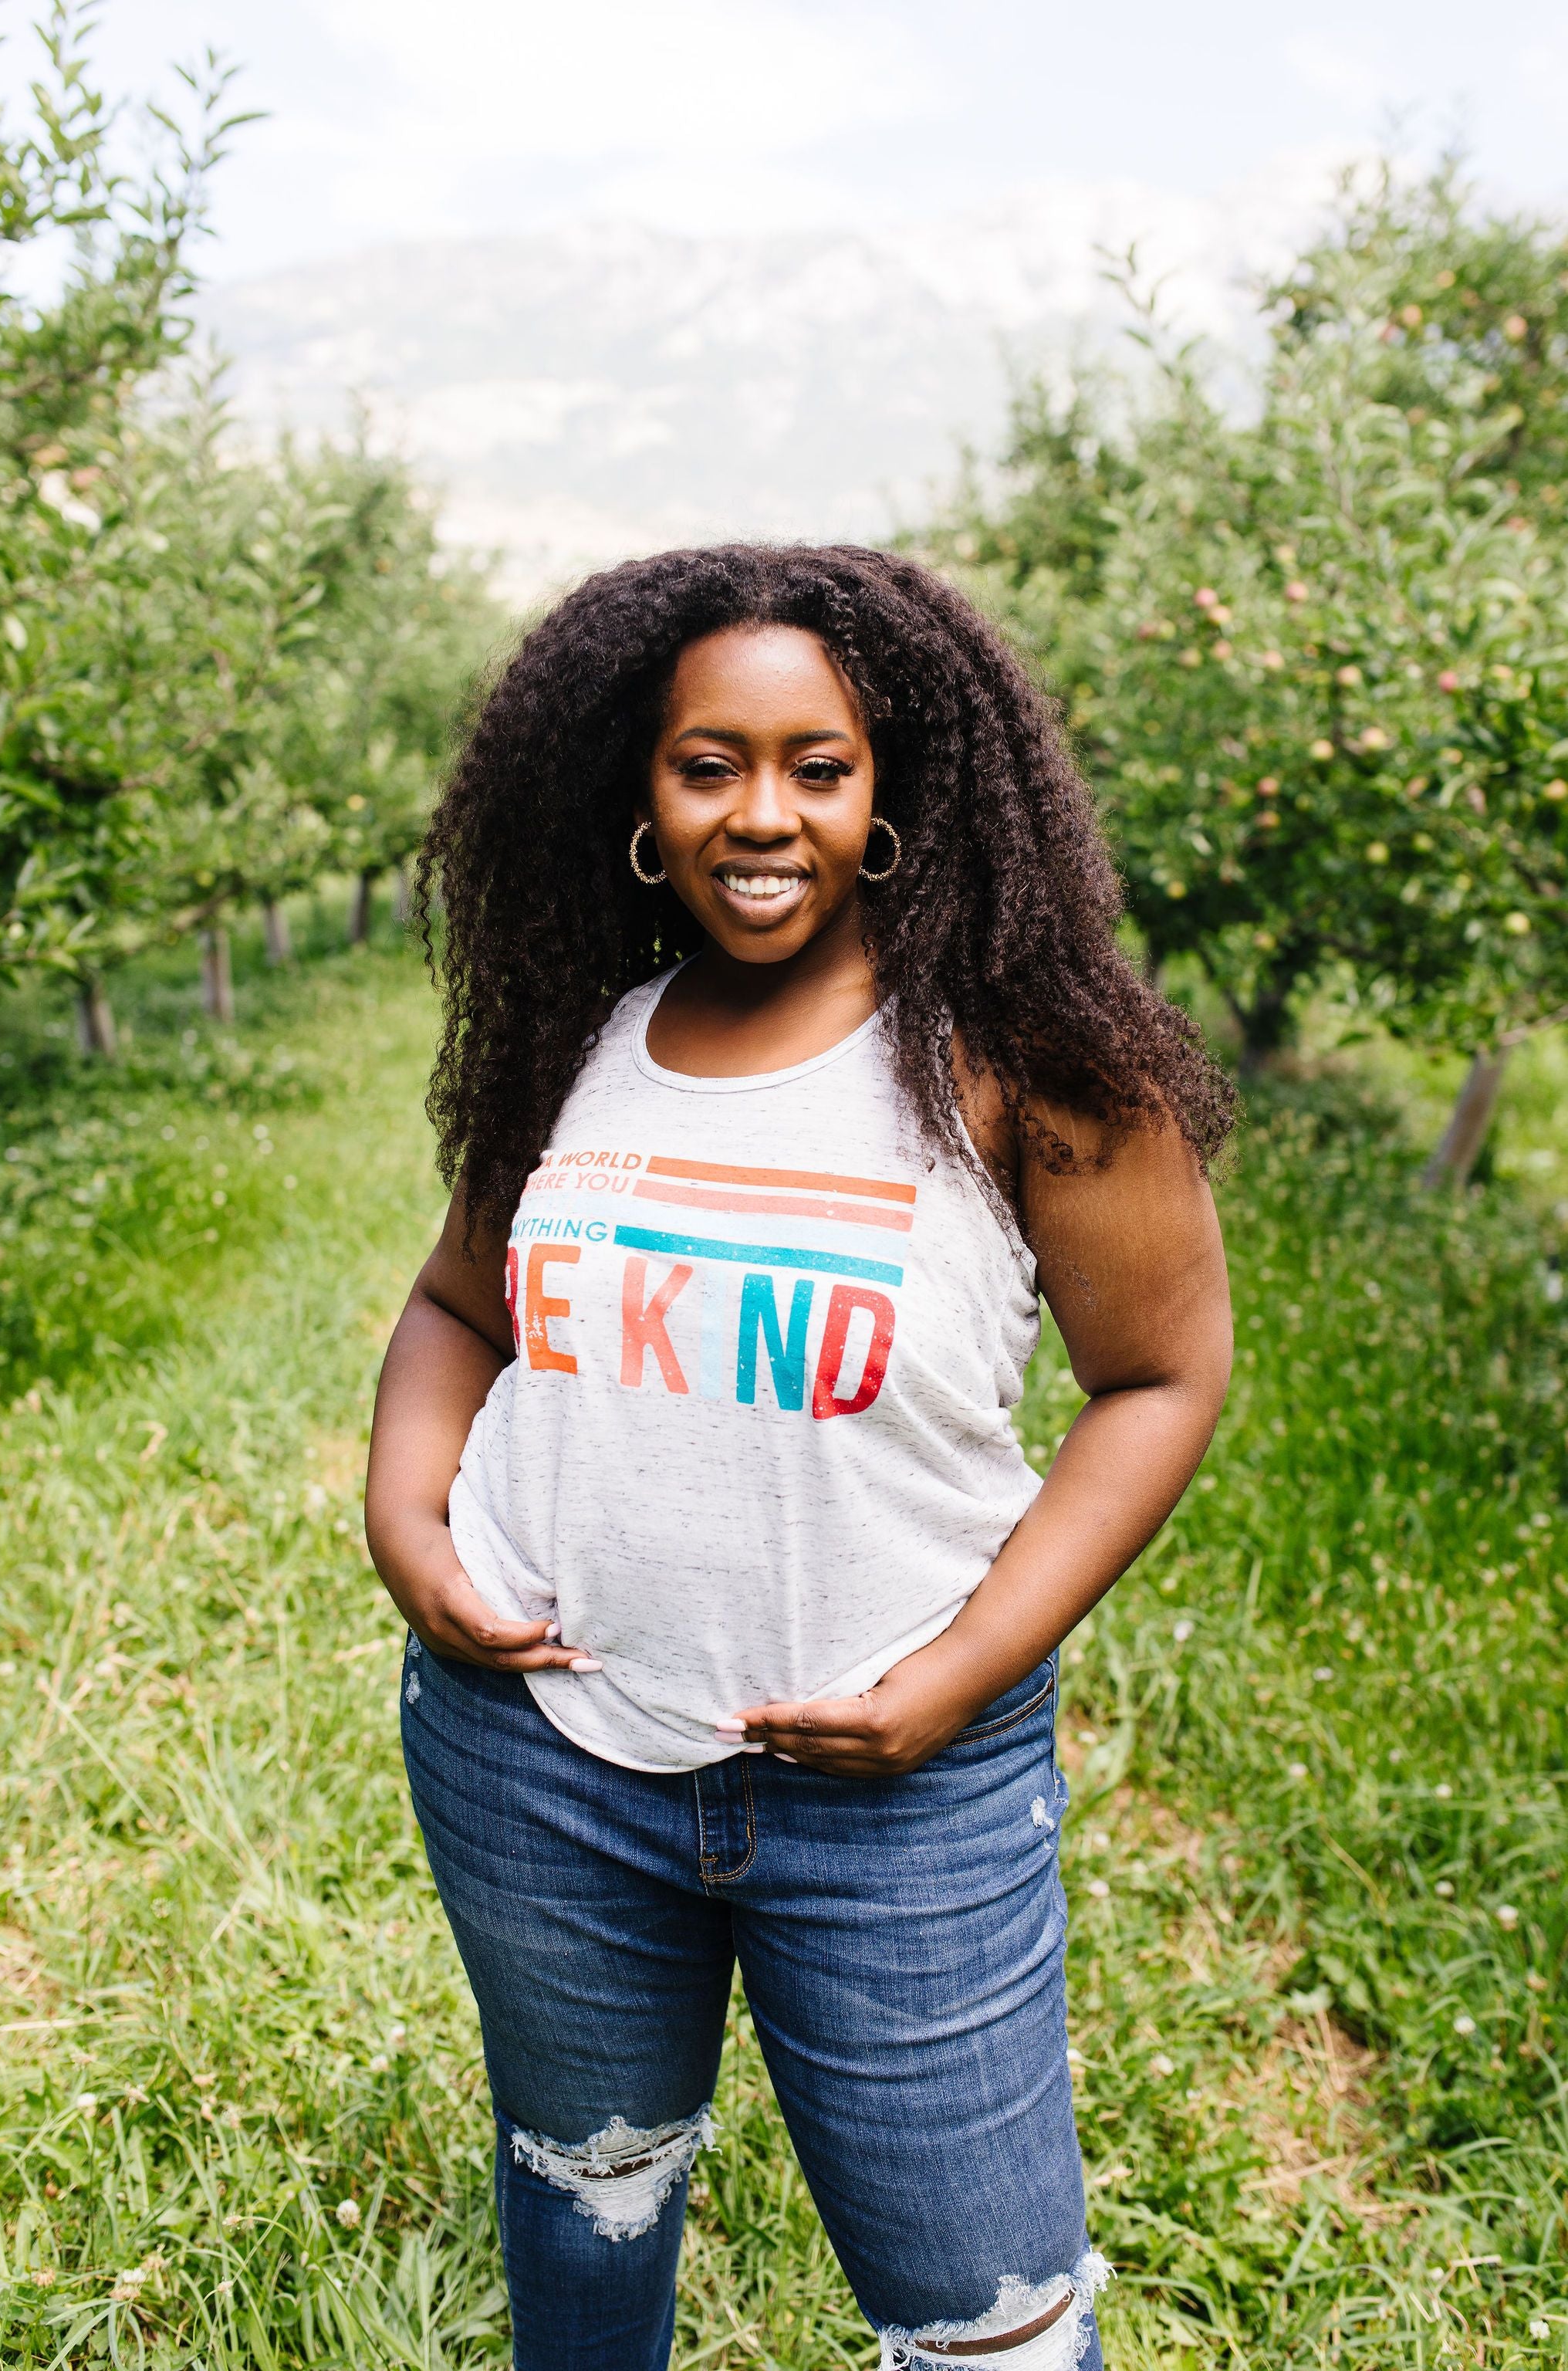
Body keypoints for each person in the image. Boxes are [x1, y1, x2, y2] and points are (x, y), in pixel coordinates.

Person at [364, 544, 1234, 2371]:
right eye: (708, 765)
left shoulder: (1026, 1065)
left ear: (892, 789)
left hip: (897, 1803)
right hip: (543, 1763)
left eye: (816, 767)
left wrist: (961, 1675)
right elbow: (459, 1309)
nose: (762, 816)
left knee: (984, 2319)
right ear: (641, 793)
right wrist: (407, 1519)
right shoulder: (576, 1043)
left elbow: (1158, 1378)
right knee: (590, 2188)